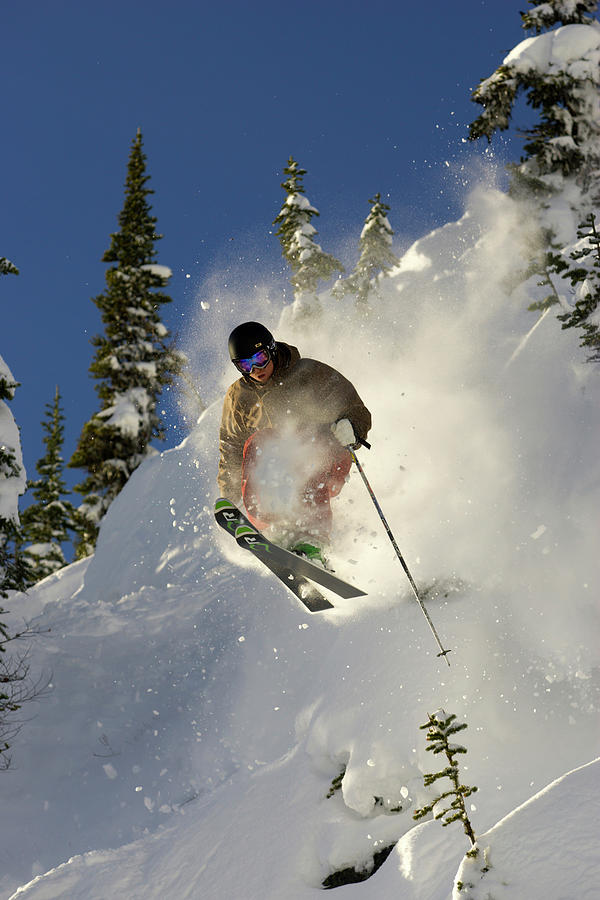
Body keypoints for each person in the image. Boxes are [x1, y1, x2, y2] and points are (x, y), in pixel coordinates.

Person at [218, 321, 371, 566]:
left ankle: (312, 541)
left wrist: (351, 426)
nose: (256, 369)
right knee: (260, 443)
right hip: (277, 480)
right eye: (246, 365)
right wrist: (231, 497)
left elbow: (356, 408)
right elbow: (232, 447)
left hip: (324, 458)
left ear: (271, 349)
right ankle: (276, 532)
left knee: (301, 442)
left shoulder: (308, 373)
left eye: (260, 357)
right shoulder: (238, 397)